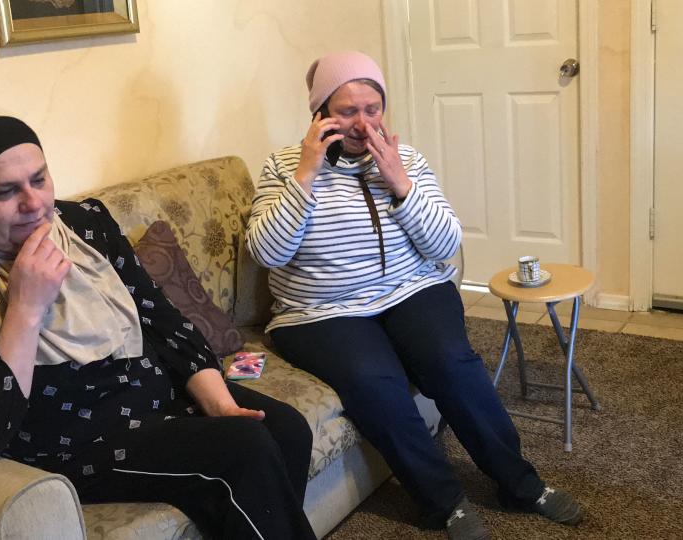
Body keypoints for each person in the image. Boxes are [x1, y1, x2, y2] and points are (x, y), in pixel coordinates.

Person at [0, 104, 317, 540]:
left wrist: (220, 405)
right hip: (70, 439)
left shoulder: (84, 223)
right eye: (3, 192)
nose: (34, 204)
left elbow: (163, 321)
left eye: (39, 179)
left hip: (151, 393)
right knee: (243, 450)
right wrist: (25, 307)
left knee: (285, 428)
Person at [246, 51, 583, 540]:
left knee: (451, 362)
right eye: (346, 110)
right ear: (318, 114)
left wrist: (400, 184)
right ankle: (443, 502)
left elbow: (445, 245)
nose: (363, 123)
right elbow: (268, 252)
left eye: (373, 109)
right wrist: (307, 174)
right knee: (374, 382)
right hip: (320, 312)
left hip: (411, 289)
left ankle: (521, 484)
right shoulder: (284, 168)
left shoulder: (407, 161)